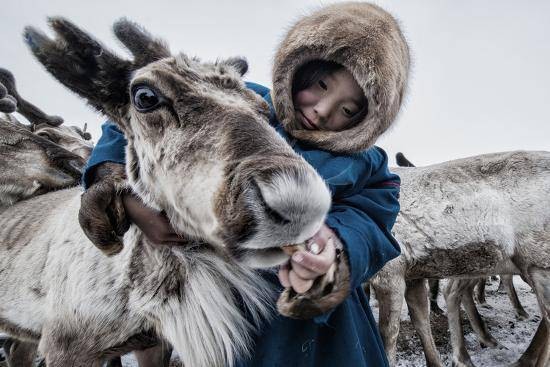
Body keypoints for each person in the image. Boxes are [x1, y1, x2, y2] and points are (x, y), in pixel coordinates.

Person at [79, 2, 410, 366]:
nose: (321, 110)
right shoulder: (239, 101)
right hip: (222, 315)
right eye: (320, 85)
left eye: (348, 110)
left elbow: (370, 221)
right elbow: (142, 111)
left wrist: (334, 252)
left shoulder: (367, 165)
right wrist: (118, 188)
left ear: (368, 119)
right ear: (298, 67)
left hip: (322, 333)